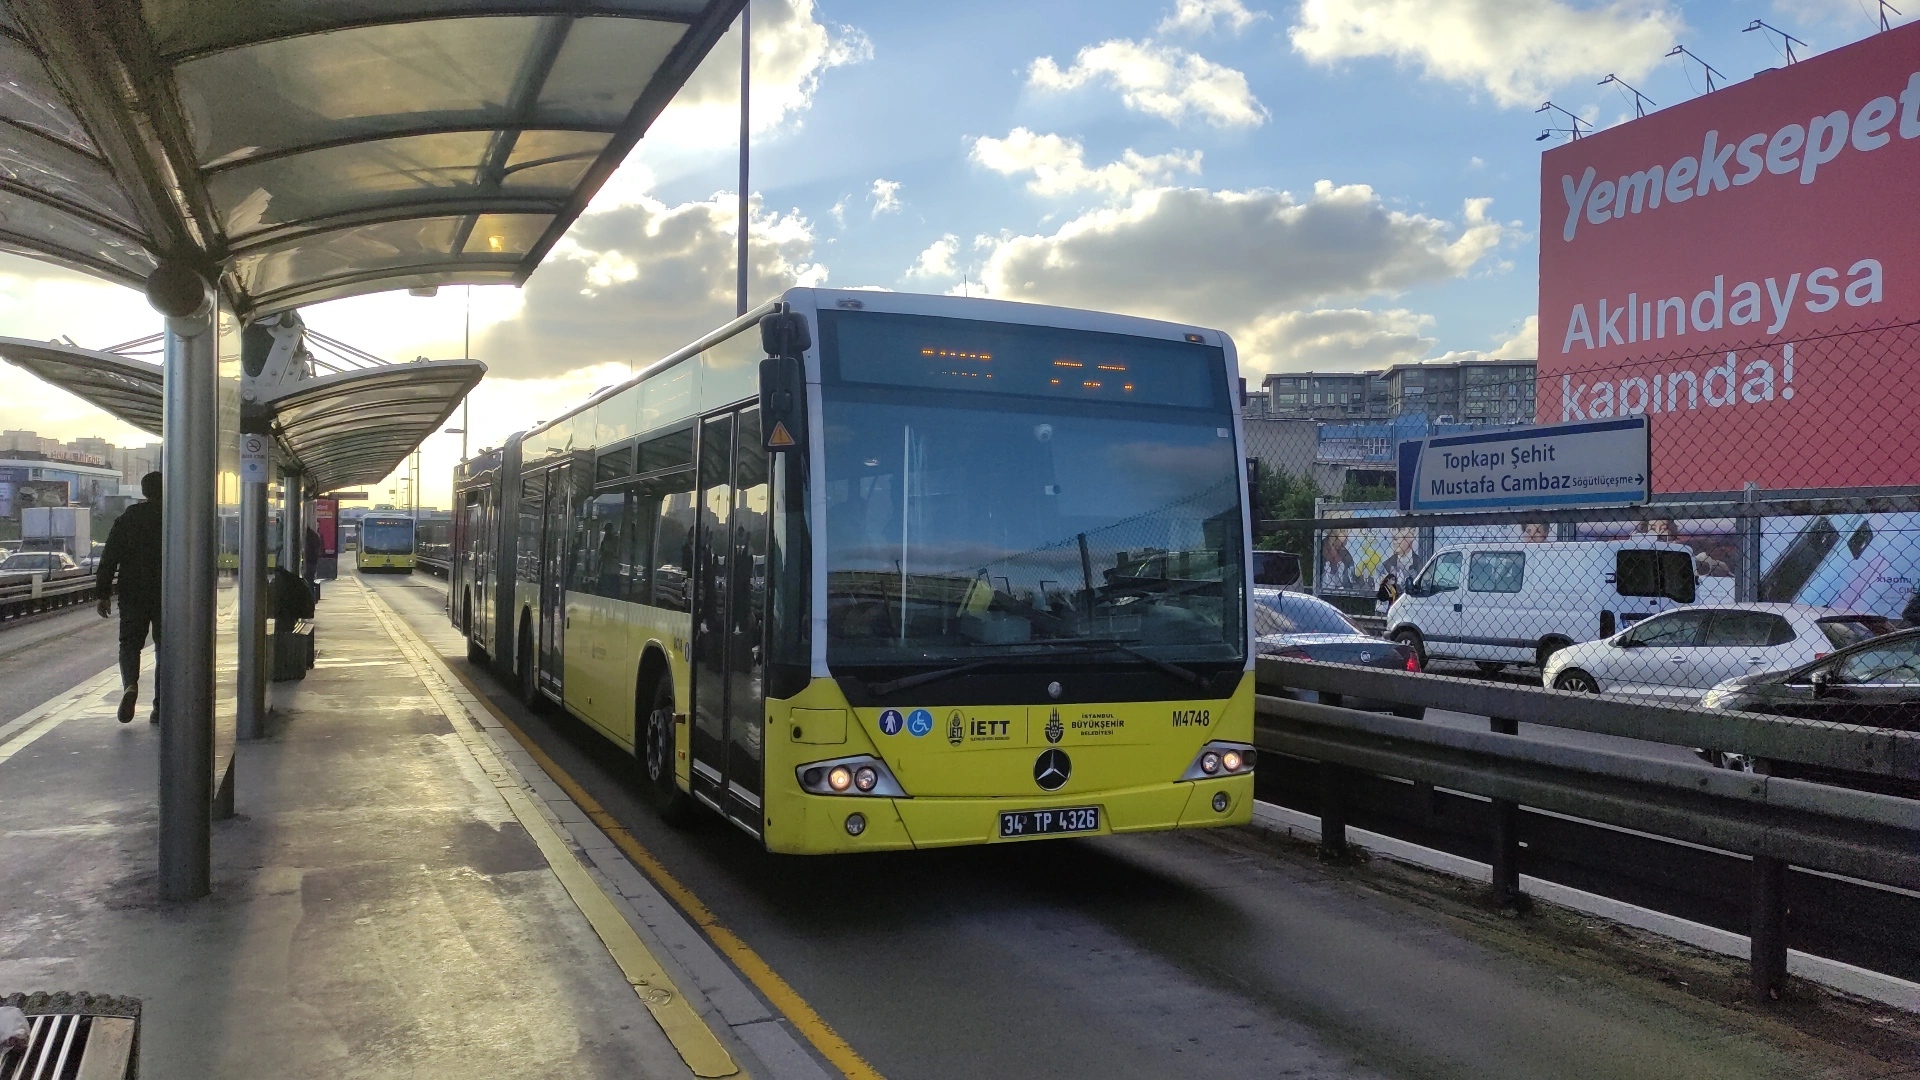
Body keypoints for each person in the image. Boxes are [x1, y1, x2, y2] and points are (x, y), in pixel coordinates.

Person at [96, 471, 162, 724]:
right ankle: (159, 705)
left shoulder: (128, 519)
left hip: (133, 591)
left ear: (144, 492)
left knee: (129, 644)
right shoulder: (174, 516)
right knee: (165, 649)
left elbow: (109, 557)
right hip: (167, 591)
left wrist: (103, 594)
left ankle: (131, 686)